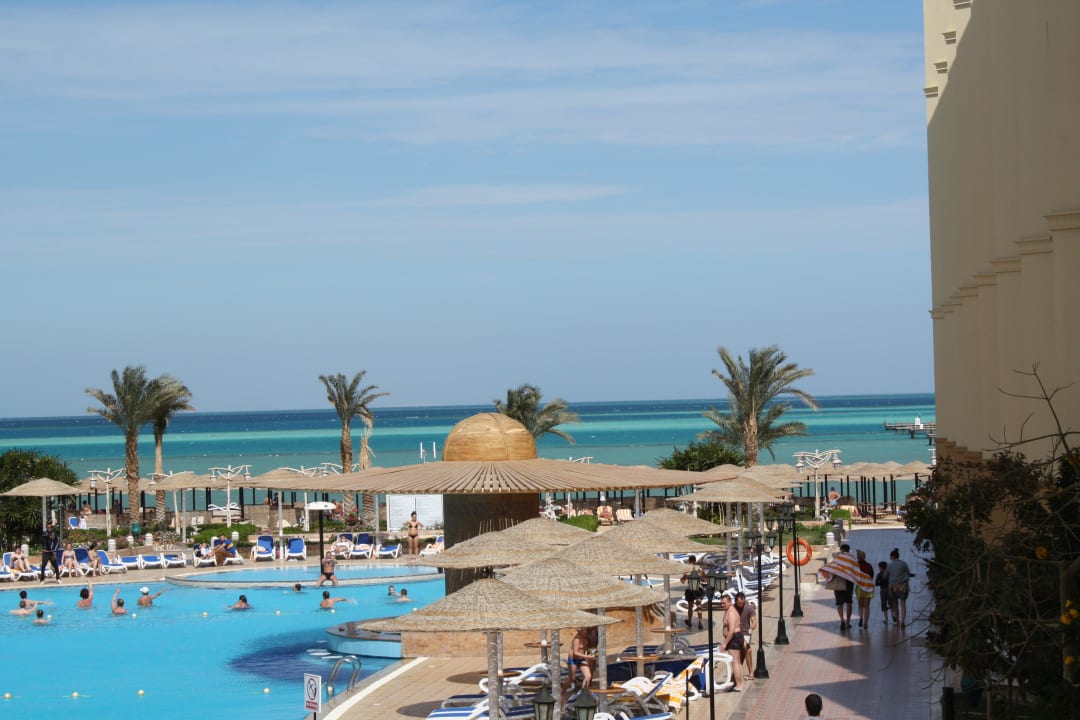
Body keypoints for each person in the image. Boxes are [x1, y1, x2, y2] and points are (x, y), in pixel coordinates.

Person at [719, 594, 744, 692]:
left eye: (724, 603)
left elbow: (732, 630)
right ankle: (740, 683)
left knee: (735, 662)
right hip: (735, 638)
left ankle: (739, 685)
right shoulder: (728, 611)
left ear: (729, 602)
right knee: (737, 661)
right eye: (721, 603)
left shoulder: (731, 613)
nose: (722, 605)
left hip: (734, 638)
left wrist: (725, 643)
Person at [886, 547, 913, 628]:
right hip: (903, 586)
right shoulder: (904, 564)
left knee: (895, 605)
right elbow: (908, 573)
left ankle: (897, 621)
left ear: (892, 557)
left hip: (893, 587)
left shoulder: (889, 566)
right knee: (903, 604)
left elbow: (885, 575)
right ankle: (902, 621)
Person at [831, 544, 856, 631]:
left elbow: (832, 569)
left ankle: (842, 620)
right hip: (849, 582)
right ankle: (848, 622)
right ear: (848, 550)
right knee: (849, 602)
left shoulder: (837, 558)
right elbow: (855, 570)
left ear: (841, 550)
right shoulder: (852, 559)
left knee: (839, 603)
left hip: (839, 582)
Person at [734, 592, 756, 677]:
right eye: (739, 603)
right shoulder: (733, 609)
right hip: (736, 632)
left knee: (745, 649)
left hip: (746, 632)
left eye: (742, 603)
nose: (741, 605)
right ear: (736, 601)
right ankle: (738, 673)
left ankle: (749, 672)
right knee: (745, 651)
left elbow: (754, 621)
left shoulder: (749, 608)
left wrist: (751, 628)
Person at [680, 555, 705, 630]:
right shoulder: (700, 569)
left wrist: (682, 578)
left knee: (690, 607)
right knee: (699, 606)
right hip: (698, 589)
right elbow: (704, 580)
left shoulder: (687, 570)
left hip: (690, 589)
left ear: (689, 561)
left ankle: (690, 621)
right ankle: (700, 622)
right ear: (695, 561)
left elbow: (682, 581)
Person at [855, 549, 875, 629]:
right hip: (868, 587)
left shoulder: (856, 565)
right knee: (867, 606)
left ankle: (860, 618)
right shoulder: (869, 565)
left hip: (860, 587)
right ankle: (866, 623)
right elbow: (872, 576)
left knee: (860, 605)